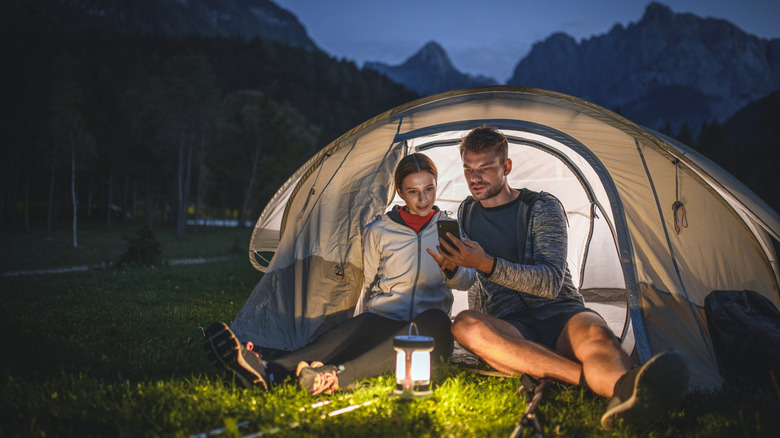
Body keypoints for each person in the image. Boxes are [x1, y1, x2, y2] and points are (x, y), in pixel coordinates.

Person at [427, 126, 689, 430]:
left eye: (485, 168)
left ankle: (627, 389)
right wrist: (453, 268)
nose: (475, 178)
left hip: (561, 311)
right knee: (465, 325)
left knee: (596, 337)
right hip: (509, 321)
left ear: (506, 167)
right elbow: (471, 277)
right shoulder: (466, 212)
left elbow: (550, 282)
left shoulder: (541, 207)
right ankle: (599, 383)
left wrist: (487, 264)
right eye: (469, 169)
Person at [205, 153, 454, 395]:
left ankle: (337, 377)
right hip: (386, 318)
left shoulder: (449, 228)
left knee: (437, 319)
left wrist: (450, 267)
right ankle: (270, 371)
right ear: (400, 192)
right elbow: (368, 281)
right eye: (413, 191)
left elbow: (467, 279)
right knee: (347, 333)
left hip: (429, 326)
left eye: (429, 189)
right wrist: (360, 326)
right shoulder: (380, 230)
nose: (423, 198)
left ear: (435, 186)